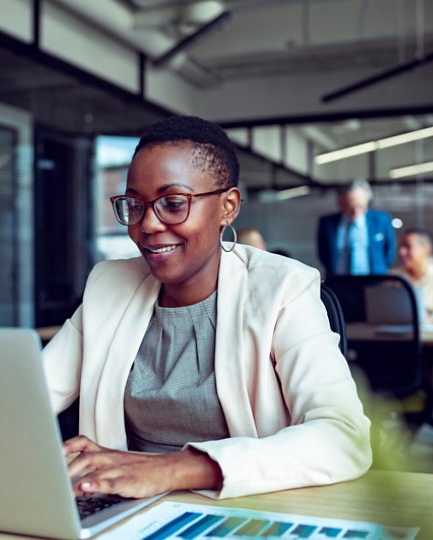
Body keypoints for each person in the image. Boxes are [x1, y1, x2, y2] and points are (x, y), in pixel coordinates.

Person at [42, 116, 371, 501]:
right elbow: (28, 399)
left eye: (173, 203)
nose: (147, 224)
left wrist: (171, 470)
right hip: (123, 510)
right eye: (135, 204)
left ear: (228, 207)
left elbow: (343, 436)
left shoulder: (283, 287)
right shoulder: (108, 286)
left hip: (245, 510)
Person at [316, 180, 395, 276]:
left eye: (360, 206)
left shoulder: (381, 220)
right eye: (350, 207)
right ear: (340, 203)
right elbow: (323, 254)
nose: (355, 211)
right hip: (338, 282)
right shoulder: (327, 223)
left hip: (374, 282)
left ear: (367, 202)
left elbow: (389, 252)